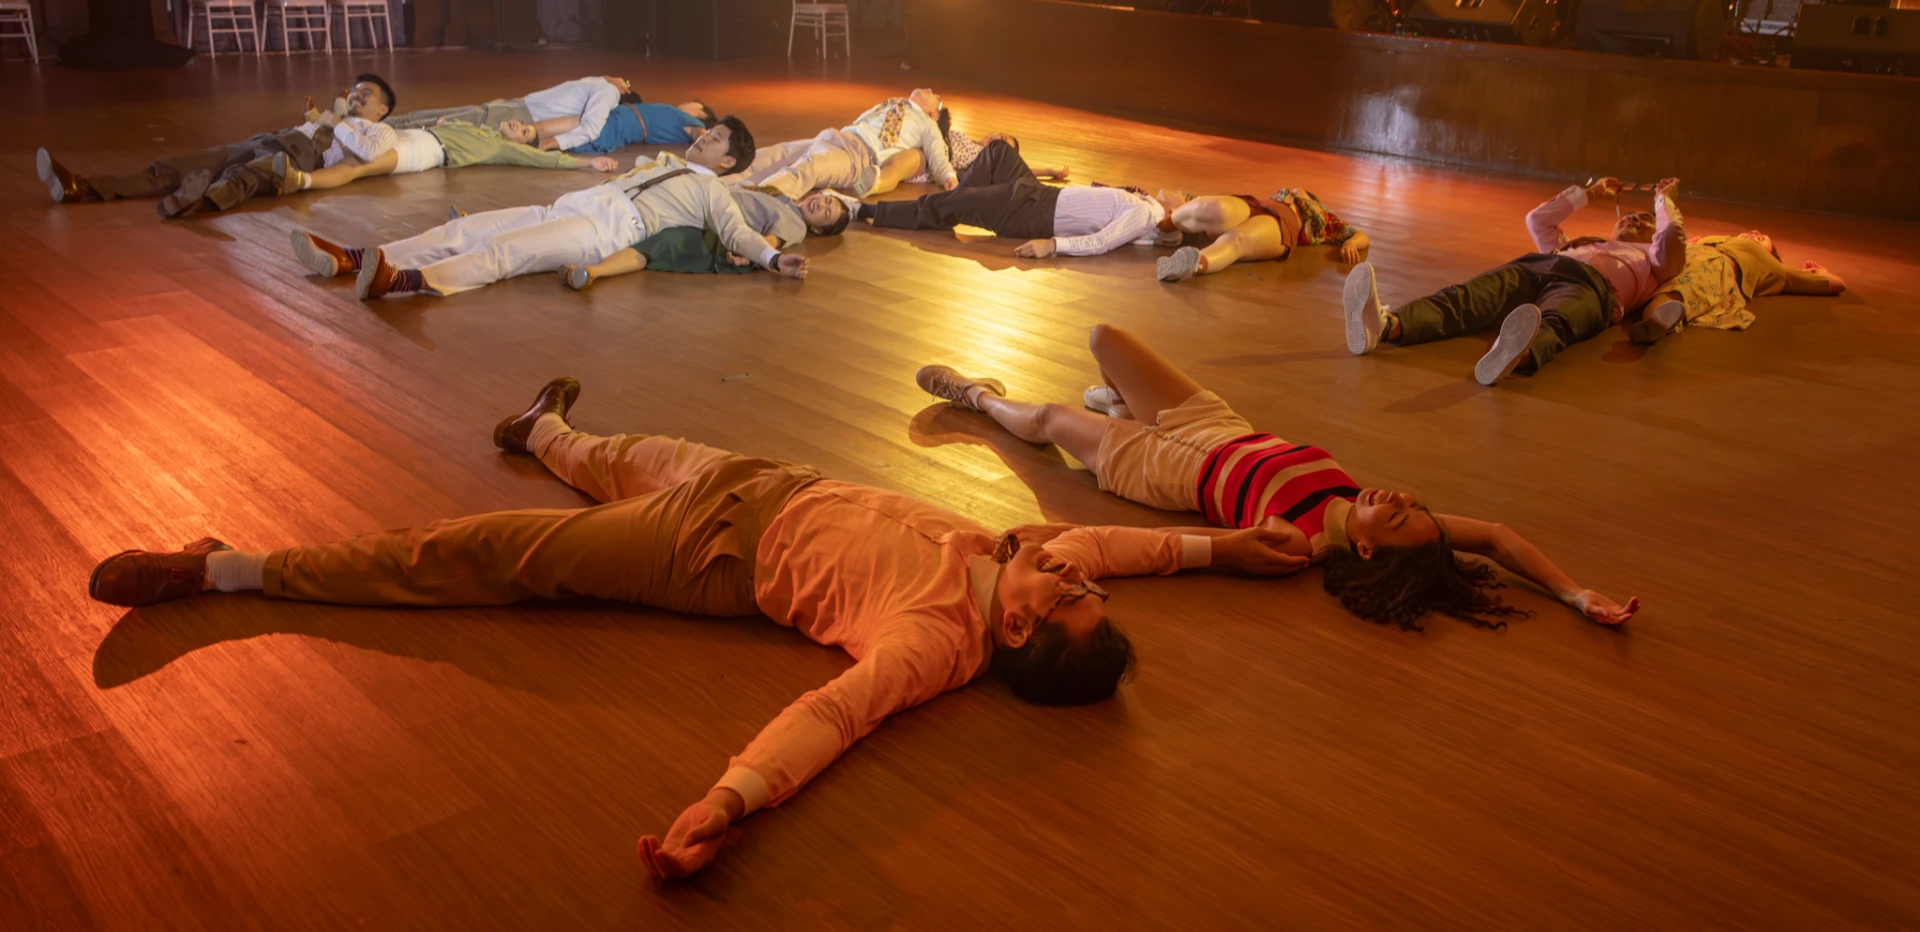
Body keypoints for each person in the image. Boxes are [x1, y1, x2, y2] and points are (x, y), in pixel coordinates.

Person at [85, 378, 1307, 879]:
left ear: (1028, 632)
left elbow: (831, 715)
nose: (1076, 567)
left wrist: (727, 801)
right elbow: (1129, 544)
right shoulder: (1022, 555)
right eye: (1086, 583)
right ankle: (543, 424)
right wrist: (1230, 546)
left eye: (1072, 592)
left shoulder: (935, 640)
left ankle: (230, 567)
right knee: (609, 453)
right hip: (756, 478)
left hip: (706, 552)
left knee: (481, 551)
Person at [912, 324, 1641, 632]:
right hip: (1218, 425)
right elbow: (1499, 537)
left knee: (1045, 419)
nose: (1395, 497)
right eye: (1410, 502)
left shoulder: (1297, 544)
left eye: (1394, 514)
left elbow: (1205, 552)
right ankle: (1117, 404)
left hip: (1164, 472)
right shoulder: (1366, 508)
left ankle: (977, 398)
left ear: (1364, 549)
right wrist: (1574, 592)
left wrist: (1222, 548)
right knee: (1103, 337)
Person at [287, 117, 811, 298]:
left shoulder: (716, 193)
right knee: (464, 231)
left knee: (503, 251)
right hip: (569, 205)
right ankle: (355, 259)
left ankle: (406, 281)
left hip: (603, 231)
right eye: (708, 132)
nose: (704, 139)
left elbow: (739, 235)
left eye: (716, 140)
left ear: (729, 162)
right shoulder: (666, 160)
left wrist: (772, 259)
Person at [1343, 176, 1686, 385]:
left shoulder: (1653, 261)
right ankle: (1385, 326)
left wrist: (1663, 200)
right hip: (1540, 265)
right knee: (1463, 298)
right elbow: (1537, 220)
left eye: (1644, 220)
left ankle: (1512, 356)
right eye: (1628, 215)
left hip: (1592, 289)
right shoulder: (1579, 243)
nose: (1632, 219)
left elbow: (1671, 236)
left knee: (1557, 322)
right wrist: (1590, 194)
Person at [34, 74, 399, 219]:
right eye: (355, 90)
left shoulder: (382, 131)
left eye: (366, 93)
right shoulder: (335, 116)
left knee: (244, 176)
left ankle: (195, 202)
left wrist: (336, 123)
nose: (357, 94)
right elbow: (318, 122)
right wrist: (321, 118)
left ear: (383, 108)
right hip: (274, 137)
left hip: (302, 156)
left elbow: (368, 154)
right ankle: (84, 187)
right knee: (187, 162)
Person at [847, 138, 1182, 260]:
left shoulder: (1148, 216)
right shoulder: (1146, 205)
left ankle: (865, 210)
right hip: (1039, 196)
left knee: (955, 203)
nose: (1181, 191)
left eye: (1186, 198)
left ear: (1177, 213)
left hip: (1032, 213)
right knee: (997, 150)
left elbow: (1102, 242)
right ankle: (951, 204)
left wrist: (1052, 246)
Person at [558, 188, 851, 290]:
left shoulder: (795, 224)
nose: (821, 205)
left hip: (718, 233)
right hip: (705, 208)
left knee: (663, 242)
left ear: (817, 230)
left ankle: (592, 272)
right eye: (826, 200)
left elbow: (772, 240)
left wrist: (749, 253)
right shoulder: (783, 198)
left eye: (825, 213)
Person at [275, 119, 622, 195]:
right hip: (417, 134)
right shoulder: (479, 129)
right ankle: (297, 150)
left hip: (426, 151)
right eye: (524, 126)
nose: (521, 127)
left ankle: (300, 181)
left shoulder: (499, 148)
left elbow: (545, 160)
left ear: (519, 145)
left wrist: (586, 162)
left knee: (359, 165)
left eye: (525, 134)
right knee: (353, 145)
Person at [727, 89, 960, 200]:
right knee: (779, 153)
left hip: (859, 157)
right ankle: (721, 179)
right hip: (838, 137)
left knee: (810, 167)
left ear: (933, 114)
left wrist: (948, 176)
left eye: (936, 97)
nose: (930, 90)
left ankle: (755, 199)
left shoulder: (927, 125)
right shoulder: (895, 103)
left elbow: (937, 154)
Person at [1634, 230, 1847, 343]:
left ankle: (1655, 321)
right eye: (1750, 232)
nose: (1755, 232)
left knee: (1685, 288)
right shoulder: (1712, 239)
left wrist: (1823, 273)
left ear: (1771, 253)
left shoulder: (1772, 266)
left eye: (1762, 238)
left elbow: (1834, 284)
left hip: (1713, 266)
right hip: (1685, 254)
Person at [1156, 188, 1369, 282]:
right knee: (1218, 209)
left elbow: (1360, 236)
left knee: (1237, 240)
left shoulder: (1321, 215)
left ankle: (1192, 264)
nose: (1297, 190)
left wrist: (1350, 243)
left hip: (1282, 224)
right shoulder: (1281, 195)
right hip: (1257, 205)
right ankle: (1160, 228)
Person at [386, 76, 637, 153]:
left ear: (625, 93)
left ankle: (385, 128)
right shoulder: (601, 84)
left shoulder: (609, 93)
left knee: (442, 122)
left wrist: (551, 143)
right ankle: (386, 125)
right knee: (441, 117)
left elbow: (591, 128)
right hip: (518, 107)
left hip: (522, 112)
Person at [892, 118, 1069, 189]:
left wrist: (1048, 171)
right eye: (1001, 136)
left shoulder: (982, 158)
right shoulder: (967, 140)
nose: (997, 139)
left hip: (931, 159)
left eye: (1002, 144)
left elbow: (1019, 170)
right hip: (926, 139)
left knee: (893, 165)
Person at [527, 100, 719, 155]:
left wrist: (710, 146)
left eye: (692, 103)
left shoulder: (693, 121)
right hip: (619, 120)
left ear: (702, 114)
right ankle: (524, 140)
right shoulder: (679, 119)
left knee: (551, 129)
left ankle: (521, 139)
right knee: (559, 130)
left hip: (619, 122)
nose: (685, 102)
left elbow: (700, 133)